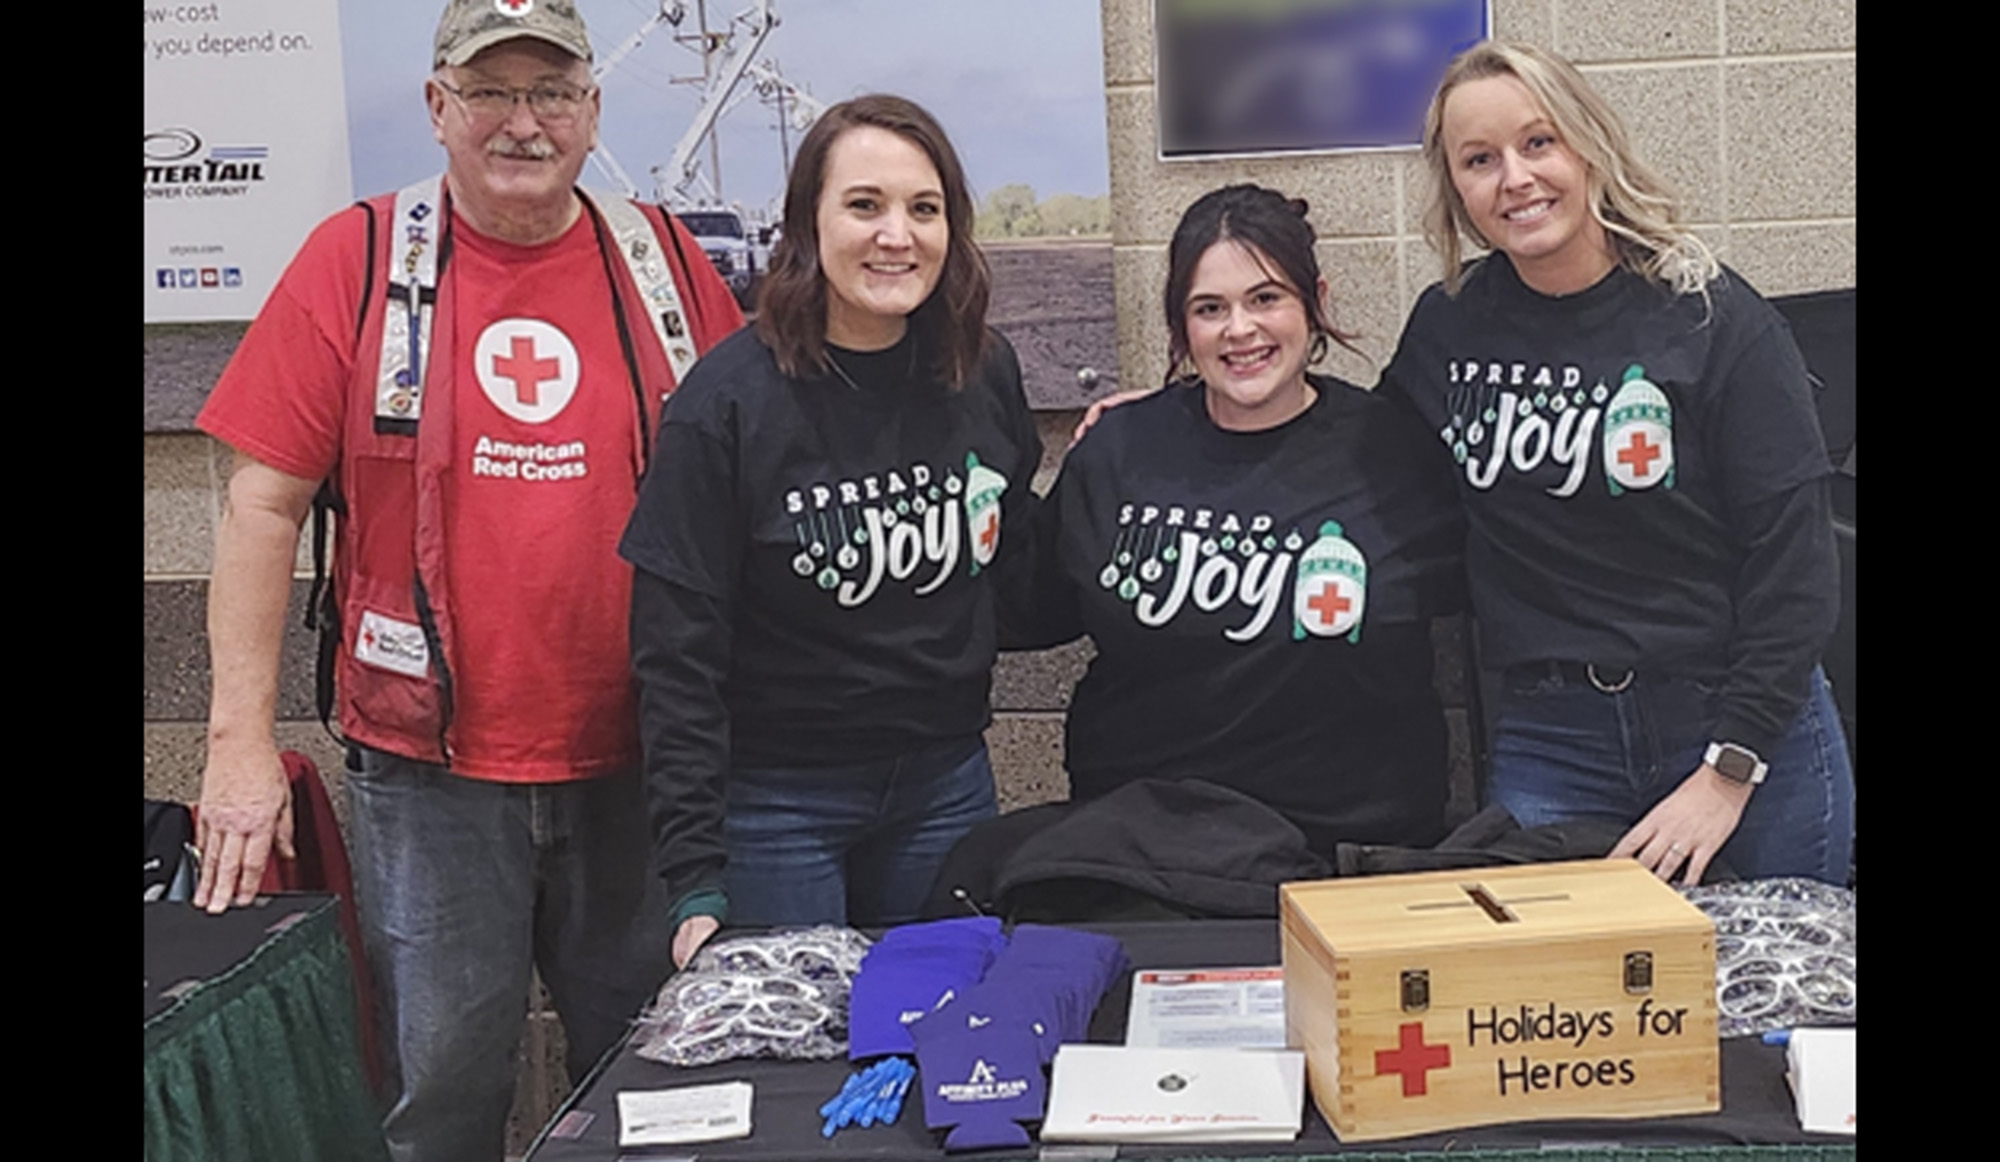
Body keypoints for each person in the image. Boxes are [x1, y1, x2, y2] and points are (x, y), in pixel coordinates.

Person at [191, 1, 743, 1157]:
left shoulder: (665, 261)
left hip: (644, 768)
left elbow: (772, 449)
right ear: (438, 108)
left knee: (657, 1089)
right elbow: (260, 502)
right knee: (436, 1097)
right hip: (428, 780)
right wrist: (236, 743)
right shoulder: (354, 259)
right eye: (491, 91)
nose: (522, 122)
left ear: (592, 112)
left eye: (550, 92)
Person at [1380, 40, 1853, 886]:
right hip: (1552, 738)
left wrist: (1727, 772)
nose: (1515, 178)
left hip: (1741, 724)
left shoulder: (1712, 318)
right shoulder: (1449, 327)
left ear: (1589, 146)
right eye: (1479, 160)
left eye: (1539, 143)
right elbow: (1349, 455)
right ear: (1456, 189)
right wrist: (1182, 414)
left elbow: (1797, 567)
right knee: (1554, 1006)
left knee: (1776, 1005)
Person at [619, 95, 1043, 968]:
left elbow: (1021, 569)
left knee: (942, 1037)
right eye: (864, 205)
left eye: (924, 209)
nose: (898, 235)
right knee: (802, 1064)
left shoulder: (982, 371)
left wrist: (1143, 455)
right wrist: (695, 873)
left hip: (945, 784)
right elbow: (676, 655)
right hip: (777, 806)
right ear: (808, 223)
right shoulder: (727, 404)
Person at [1013, 184, 1465, 857]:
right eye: (1209, 308)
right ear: (1181, 326)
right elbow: (1028, 607)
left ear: (1316, 300)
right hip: (1149, 853)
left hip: (1354, 848)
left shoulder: (1397, 449)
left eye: (1266, 298)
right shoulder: (1119, 452)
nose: (1240, 329)